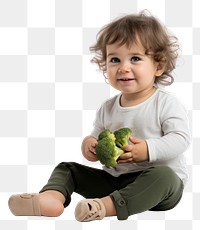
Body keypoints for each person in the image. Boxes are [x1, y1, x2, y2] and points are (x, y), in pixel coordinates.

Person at [8, 11, 190, 221]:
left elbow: (181, 139)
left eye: (135, 58)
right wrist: (90, 145)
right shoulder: (108, 107)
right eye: (114, 59)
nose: (123, 67)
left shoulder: (166, 103)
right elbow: (96, 136)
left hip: (157, 187)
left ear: (158, 66)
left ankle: (104, 207)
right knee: (67, 168)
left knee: (165, 177)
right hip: (114, 180)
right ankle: (51, 197)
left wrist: (148, 150)